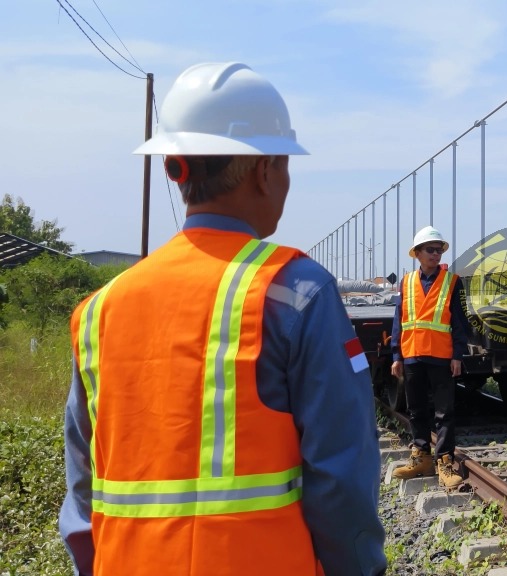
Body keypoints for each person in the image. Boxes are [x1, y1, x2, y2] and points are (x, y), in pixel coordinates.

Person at [58, 62, 386, 575]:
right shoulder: (295, 292)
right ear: (264, 170)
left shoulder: (98, 309)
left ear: (176, 168)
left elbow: (82, 490)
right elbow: (341, 477)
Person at [390, 226, 472, 488]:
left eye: (439, 250)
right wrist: (396, 355)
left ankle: (445, 461)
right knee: (416, 410)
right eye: (430, 249)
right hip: (412, 354)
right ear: (417, 253)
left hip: (441, 355)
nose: (435, 254)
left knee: (444, 411)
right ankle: (421, 457)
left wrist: (457, 354)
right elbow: (399, 320)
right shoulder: (406, 282)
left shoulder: (452, 281)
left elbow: (459, 321)